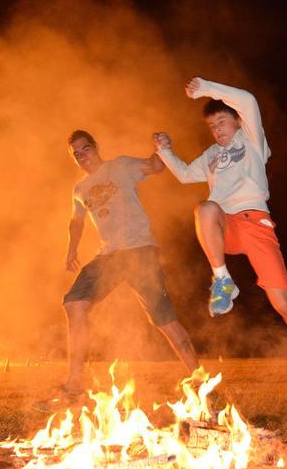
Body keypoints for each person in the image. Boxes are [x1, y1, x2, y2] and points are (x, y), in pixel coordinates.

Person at [153, 77, 287, 400]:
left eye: (222, 121)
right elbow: (183, 174)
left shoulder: (251, 139)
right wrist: (165, 151)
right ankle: (222, 279)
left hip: (256, 223)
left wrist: (206, 88)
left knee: (284, 304)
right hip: (227, 226)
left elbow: (248, 99)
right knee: (205, 208)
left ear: (236, 120)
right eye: (212, 126)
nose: (218, 130)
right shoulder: (210, 155)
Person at [39, 130, 201, 410]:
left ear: (96, 147)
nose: (82, 156)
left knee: (164, 321)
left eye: (85, 149)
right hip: (109, 256)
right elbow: (75, 222)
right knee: (74, 304)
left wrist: (163, 148)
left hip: (140, 251)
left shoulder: (121, 166)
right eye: (76, 154)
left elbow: (154, 166)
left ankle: (200, 384)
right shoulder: (79, 190)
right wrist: (71, 249)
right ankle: (75, 387)